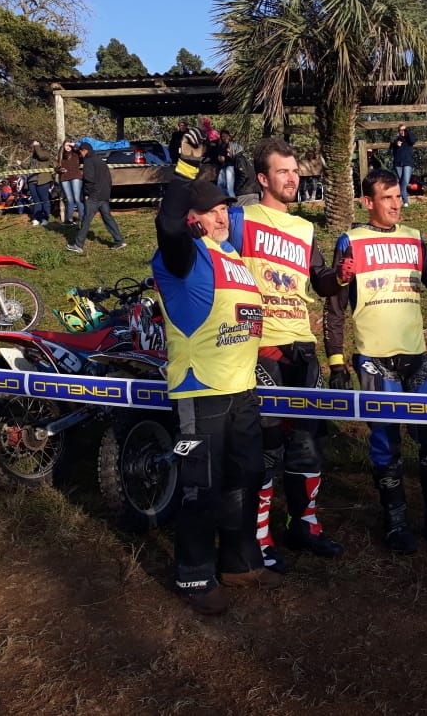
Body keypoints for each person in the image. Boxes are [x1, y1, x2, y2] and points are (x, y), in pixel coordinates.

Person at [324, 168, 427, 552]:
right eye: (388, 197)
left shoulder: (413, 237)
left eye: (398, 196)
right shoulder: (351, 241)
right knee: (386, 441)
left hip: (416, 357)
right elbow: (335, 305)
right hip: (374, 359)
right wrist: (336, 362)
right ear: (368, 202)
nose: (397, 204)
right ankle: (395, 523)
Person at [228, 138, 353, 574]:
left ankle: (305, 526)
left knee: (307, 444)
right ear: (263, 178)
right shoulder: (241, 218)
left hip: (303, 344)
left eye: (296, 171)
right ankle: (258, 537)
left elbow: (319, 280)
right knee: (266, 448)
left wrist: (339, 277)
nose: (293, 178)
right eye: (283, 171)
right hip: (260, 346)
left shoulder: (304, 228)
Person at [152, 174, 269, 616]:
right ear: (191, 219)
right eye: (210, 211)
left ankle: (239, 562)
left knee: (246, 478)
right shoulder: (182, 256)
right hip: (200, 391)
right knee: (201, 487)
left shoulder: (230, 254)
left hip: (242, 388)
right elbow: (167, 224)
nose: (221, 217)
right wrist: (185, 171)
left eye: (224, 209)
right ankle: (195, 575)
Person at [65, 142, 126, 253]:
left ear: (85, 151)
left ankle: (78, 245)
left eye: (80, 152)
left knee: (86, 219)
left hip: (94, 195)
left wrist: (87, 193)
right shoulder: (100, 161)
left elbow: (89, 179)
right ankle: (119, 240)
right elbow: (108, 179)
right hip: (104, 194)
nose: (80, 155)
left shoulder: (89, 162)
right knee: (107, 218)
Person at [25, 140, 53, 227]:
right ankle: (36, 218)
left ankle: (45, 218)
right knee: (36, 201)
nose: (34, 146)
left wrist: (37, 146)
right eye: (33, 145)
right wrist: (21, 164)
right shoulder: (32, 157)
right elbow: (29, 168)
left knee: (44, 200)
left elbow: (41, 156)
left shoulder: (45, 153)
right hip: (32, 181)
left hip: (42, 180)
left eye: (36, 145)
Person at [56, 138, 84, 225]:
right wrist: (60, 170)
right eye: (66, 145)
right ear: (63, 146)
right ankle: (69, 219)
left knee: (77, 198)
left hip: (75, 177)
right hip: (64, 178)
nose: (68, 147)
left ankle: (82, 218)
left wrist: (73, 145)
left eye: (69, 145)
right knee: (69, 200)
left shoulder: (76, 153)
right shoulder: (61, 155)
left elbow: (82, 149)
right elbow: (56, 167)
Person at [390, 123, 416, 207]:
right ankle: (405, 202)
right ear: (399, 131)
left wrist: (407, 132)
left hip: (408, 163)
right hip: (398, 164)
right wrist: (396, 144)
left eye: (404, 130)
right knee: (402, 182)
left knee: (405, 182)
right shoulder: (397, 140)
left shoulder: (410, 139)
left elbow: (413, 140)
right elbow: (392, 147)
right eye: (401, 130)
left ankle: (400, 199)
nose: (403, 131)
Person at [216, 131, 244, 199]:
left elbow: (234, 155)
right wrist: (220, 158)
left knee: (229, 188)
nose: (224, 138)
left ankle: (232, 203)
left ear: (229, 136)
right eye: (223, 136)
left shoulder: (233, 144)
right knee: (220, 186)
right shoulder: (221, 146)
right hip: (223, 167)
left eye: (226, 136)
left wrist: (227, 156)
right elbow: (220, 156)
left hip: (230, 166)